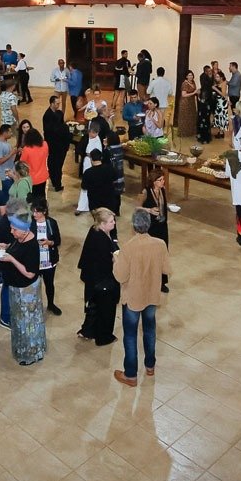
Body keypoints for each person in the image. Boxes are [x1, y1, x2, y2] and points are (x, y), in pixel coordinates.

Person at [112, 209, 169, 387]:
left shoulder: (128, 247)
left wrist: (116, 261)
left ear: (133, 226)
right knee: (150, 330)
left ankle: (130, 375)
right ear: (149, 224)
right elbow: (167, 269)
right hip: (151, 294)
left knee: (130, 336)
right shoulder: (160, 244)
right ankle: (150, 366)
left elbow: (120, 276)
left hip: (133, 297)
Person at [0, 211, 46, 365]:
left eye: (14, 229)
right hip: (16, 287)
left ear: (24, 230)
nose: (11, 231)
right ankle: (21, 349)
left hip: (26, 291)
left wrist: (12, 259)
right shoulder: (19, 238)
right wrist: (7, 247)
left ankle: (30, 354)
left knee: (27, 323)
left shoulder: (32, 246)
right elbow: (16, 249)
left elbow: (30, 273)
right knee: (18, 321)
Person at [77, 207, 120, 345]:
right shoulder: (100, 239)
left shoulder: (96, 230)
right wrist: (115, 258)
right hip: (101, 280)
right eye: (111, 221)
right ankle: (103, 337)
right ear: (102, 223)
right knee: (104, 309)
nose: (114, 223)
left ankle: (87, 331)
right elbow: (106, 262)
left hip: (93, 278)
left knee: (93, 306)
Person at [140, 169, 171, 293]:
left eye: (163, 179)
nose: (163, 182)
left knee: (162, 253)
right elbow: (137, 208)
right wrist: (149, 210)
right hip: (151, 228)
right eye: (160, 180)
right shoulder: (145, 192)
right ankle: (149, 281)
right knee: (151, 255)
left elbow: (163, 204)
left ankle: (161, 282)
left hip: (162, 227)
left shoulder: (162, 190)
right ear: (153, 181)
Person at [30, 201, 62, 315]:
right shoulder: (30, 223)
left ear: (44, 211)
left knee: (49, 284)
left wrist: (49, 242)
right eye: (33, 211)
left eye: (37, 212)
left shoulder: (51, 223)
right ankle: (34, 306)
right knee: (33, 286)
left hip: (49, 261)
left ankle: (51, 304)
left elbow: (58, 241)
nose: (34, 214)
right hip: (34, 261)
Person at [42, 96, 70, 191]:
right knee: (55, 164)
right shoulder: (47, 116)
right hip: (53, 144)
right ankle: (57, 183)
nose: (58, 105)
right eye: (57, 103)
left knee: (56, 163)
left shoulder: (59, 113)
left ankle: (54, 178)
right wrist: (64, 129)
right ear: (52, 103)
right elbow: (49, 131)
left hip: (59, 144)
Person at [19, 128, 50, 204]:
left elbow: (22, 163)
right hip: (43, 176)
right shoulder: (45, 144)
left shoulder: (26, 149)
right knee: (42, 195)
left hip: (32, 179)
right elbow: (46, 155)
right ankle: (43, 207)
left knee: (33, 198)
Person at [81, 149, 117, 215]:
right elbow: (115, 178)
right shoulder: (109, 168)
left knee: (98, 219)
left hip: (95, 202)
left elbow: (84, 187)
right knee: (110, 218)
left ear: (91, 159)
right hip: (109, 200)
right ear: (101, 157)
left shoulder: (88, 172)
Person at [0, 123, 18, 191]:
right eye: (10, 132)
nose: (11, 134)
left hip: (9, 171)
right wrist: (11, 153)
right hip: (5, 174)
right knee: (9, 192)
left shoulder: (5, 142)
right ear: (5, 133)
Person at [176, 70, 198, 137]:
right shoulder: (184, 84)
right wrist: (194, 93)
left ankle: (190, 132)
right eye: (189, 75)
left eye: (191, 75)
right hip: (185, 103)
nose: (191, 76)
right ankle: (184, 133)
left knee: (191, 117)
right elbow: (184, 95)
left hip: (191, 102)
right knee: (185, 118)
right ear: (186, 76)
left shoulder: (193, 82)